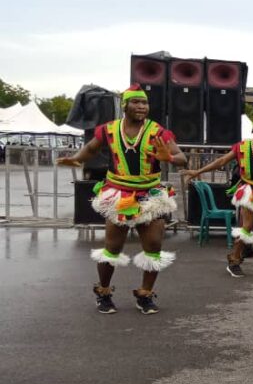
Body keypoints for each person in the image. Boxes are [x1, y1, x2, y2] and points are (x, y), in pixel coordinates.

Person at [56, 84, 187, 314]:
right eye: (136, 102)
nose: (141, 106)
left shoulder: (157, 131)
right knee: (113, 248)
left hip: (150, 196)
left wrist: (170, 157)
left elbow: (181, 158)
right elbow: (91, 148)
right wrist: (76, 159)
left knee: (154, 246)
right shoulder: (109, 129)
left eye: (144, 102)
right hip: (119, 194)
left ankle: (145, 295)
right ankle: (103, 292)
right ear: (124, 106)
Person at [182, 114, 253, 278]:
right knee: (247, 227)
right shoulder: (242, 147)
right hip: (249, 190)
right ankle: (234, 260)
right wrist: (198, 171)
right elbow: (221, 161)